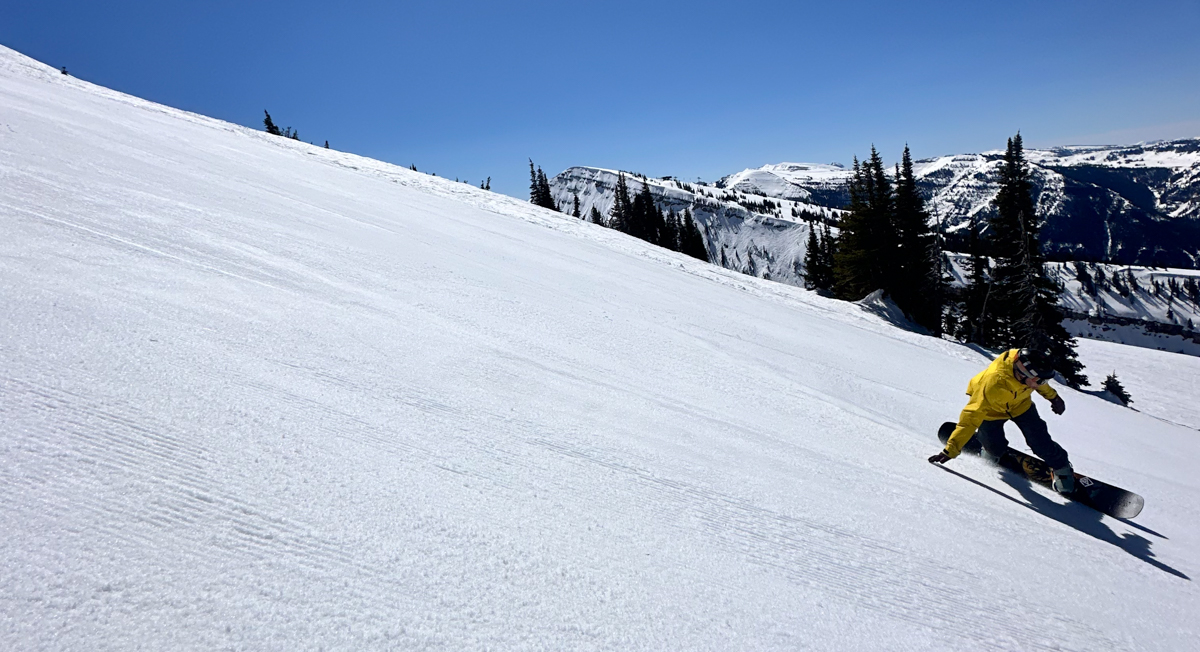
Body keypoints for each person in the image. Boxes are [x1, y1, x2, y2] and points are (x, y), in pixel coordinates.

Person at [928, 348, 1075, 493]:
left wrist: (1053, 397)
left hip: (1021, 406)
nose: (1041, 384)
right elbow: (970, 418)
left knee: (1039, 442)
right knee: (994, 449)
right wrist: (950, 450)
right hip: (991, 413)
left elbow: (1039, 384)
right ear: (1022, 374)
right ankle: (988, 447)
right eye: (1039, 380)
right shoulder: (991, 386)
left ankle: (1061, 467)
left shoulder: (1027, 373)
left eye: (1044, 380)